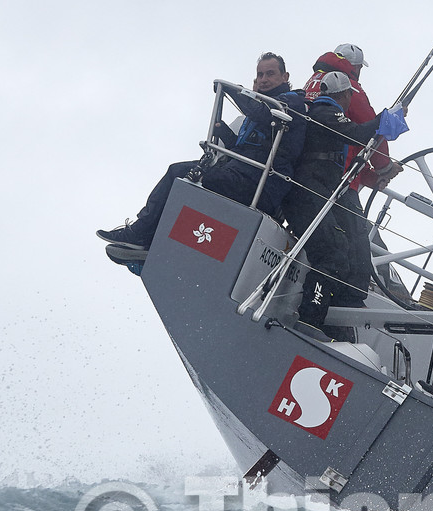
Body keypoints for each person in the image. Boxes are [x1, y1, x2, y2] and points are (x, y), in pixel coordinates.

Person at [96, 53, 304, 258]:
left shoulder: (291, 103)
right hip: (243, 176)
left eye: (270, 74)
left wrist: (236, 93)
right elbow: (249, 149)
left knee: (190, 175)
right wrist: (224, 133)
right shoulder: (262, 108)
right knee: (181, 173)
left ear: (285, 77)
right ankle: (150, 236)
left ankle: (144, 233)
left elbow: (264, 115)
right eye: (260, 75)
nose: (264, 80)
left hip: (261, 184)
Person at [283, 71, 408, 329]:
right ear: (344, 94)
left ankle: (322, 311)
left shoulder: (319, 112)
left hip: (314, 191)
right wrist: (388, 117)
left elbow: (348, 159)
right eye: (351, 95)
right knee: (331, 251)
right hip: (310, 192)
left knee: (338, 247)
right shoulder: (327, 112)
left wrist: (374, 178)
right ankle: (312, 317)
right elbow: (356, 132)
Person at [304, 44, 400, 306]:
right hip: (340, 179)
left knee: (330, 236)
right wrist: (384, 169)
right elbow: (372, 130)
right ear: (355, 67)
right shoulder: (351, 91)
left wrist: (369, 177)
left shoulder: (313, 83)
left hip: (315, 172)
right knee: (356, 239)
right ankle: (351, 299)